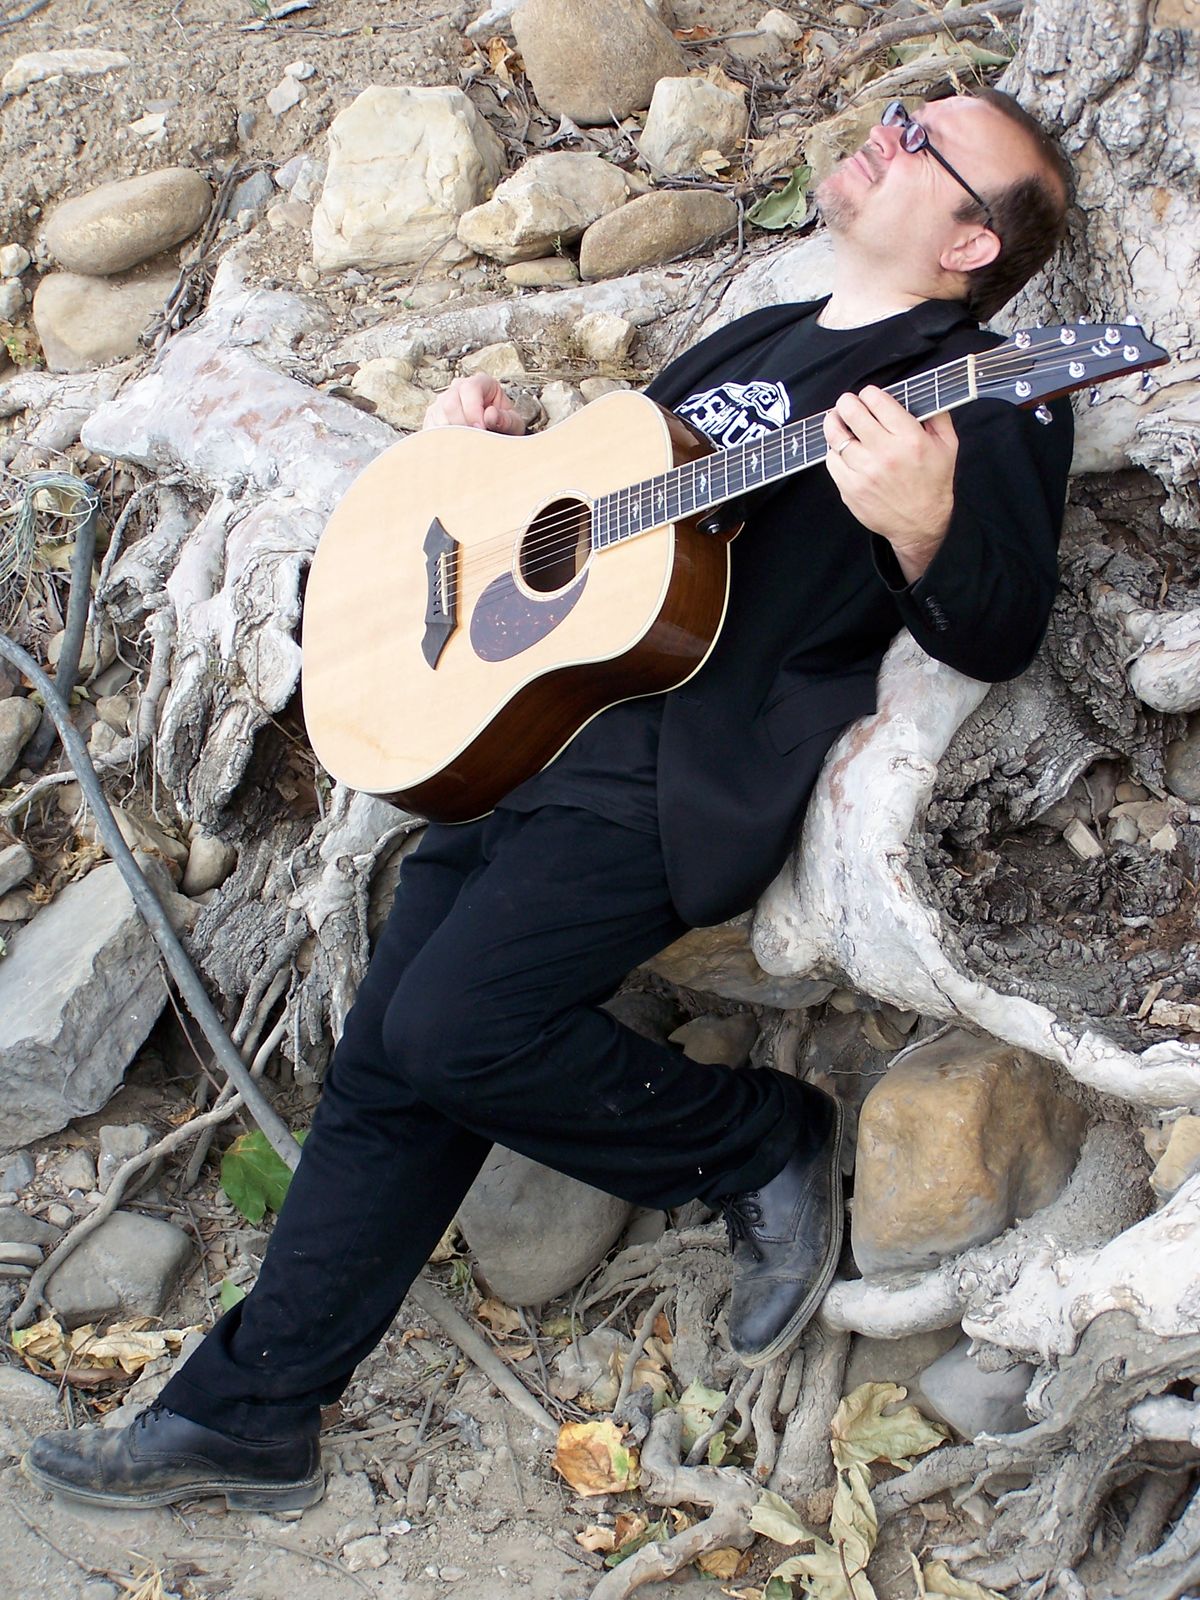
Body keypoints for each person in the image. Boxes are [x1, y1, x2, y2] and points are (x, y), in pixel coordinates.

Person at [24, 88, 1075, 1513]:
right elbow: (596, 503)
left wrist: (928, 525)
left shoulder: (983, 386)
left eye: (924, 142)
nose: (887, 133)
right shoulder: (767, 335)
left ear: (967, 242)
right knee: (386, 1060)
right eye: (902, 111)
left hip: (673, 768)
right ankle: (250, 1414)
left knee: (453, 1032)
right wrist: (481, 460)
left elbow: (1001, 625)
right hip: (529, 726)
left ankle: (760, 1140)